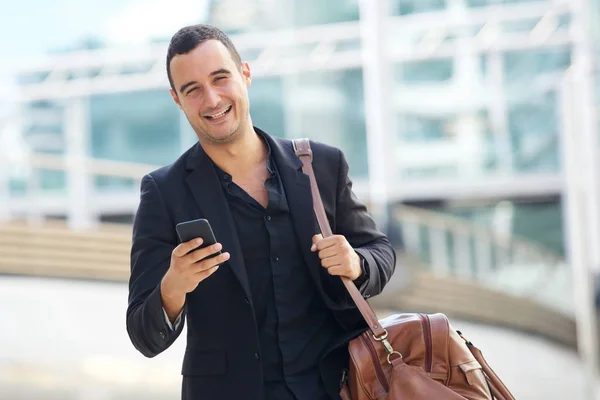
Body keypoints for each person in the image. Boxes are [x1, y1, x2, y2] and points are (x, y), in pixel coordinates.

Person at [126, 24, 397, 400]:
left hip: (336, 389)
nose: (212, 99)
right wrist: (174, 287)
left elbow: (380, 253)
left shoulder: (321, 165)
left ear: (245, 75)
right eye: (193, 90)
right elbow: (143, 333)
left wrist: (356, 263)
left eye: (221, 78)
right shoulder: (164, 192)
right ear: (177, 99)